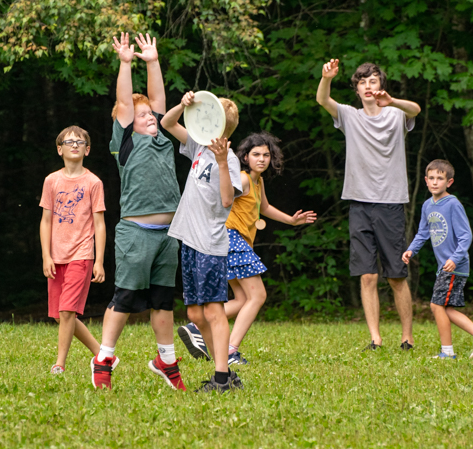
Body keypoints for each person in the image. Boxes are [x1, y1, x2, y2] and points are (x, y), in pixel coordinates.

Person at [91, 32, 185, 391]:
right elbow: (125, 102)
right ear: (126, 122)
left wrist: (153, 61)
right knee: (126, 298)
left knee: (162, 301)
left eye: (150, 114)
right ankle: (104, 359)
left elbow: (158, 99)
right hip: (136, 233)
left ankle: (167, 362)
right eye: (140, 114)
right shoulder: (125, 143)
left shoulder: (162, 139)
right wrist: (126, 63)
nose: (148, 117)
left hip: (167, 235)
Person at [178, 132, 316, 366]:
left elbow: (266, 207)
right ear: (245, 157)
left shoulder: (257, 181)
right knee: (258, 295)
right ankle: (230, 350)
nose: (262, 159)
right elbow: (225, 198)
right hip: (231, 239)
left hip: (234, 241)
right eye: (256, 155)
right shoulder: (242, 179)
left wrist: (291, 221)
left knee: (242, 299)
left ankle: (197, 326)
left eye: (266, 155)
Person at [316, 59, 420, 351]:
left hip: (390, 204)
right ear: (357, 89)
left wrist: (393, 101)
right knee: (367, 274)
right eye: (362, 82)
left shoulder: (396, 114)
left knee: (396, 275)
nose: (367, 86)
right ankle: (375, 337)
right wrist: (326, 78)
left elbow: (416, 110)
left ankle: (407, 336)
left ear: (380, 86)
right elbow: (322, 99)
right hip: (359, 204)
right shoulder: (350, 116)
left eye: (372, 81)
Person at [161, 90, 244, 392]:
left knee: (213, 311)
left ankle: (222, 376)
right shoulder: (197, 145)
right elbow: (168, 124)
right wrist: (182, 105)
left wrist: (222, 162)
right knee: (195, 313)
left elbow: (225, 200)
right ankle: (224, 371)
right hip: (189, 241)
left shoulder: (230, 160)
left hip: (210, 244)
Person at [402, 159, 473, 359]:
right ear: (425, 180)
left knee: (436, 305)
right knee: (445, 308)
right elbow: (422, 233)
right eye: (431, 178)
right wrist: (411, 250)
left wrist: (455, 258)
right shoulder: (428, 205)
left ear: (449, 182)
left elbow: (466, 236)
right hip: (443, 266)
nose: (435, 182)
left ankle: (459, 347)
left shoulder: (453, 204)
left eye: (440, 178)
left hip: (455, 265)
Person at [39, 126, 106, 375]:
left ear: (87, 150)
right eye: (69, 142)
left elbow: (99, 224)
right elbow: (45, 221)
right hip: (56, 256)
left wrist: (99, 261)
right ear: (60, 149)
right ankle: (102, 354)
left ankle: (59, 364)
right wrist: (46, 255)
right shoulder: (51, 181)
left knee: (67, 311)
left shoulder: (93, 182)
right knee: (59, 316)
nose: (74, 145)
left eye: (80, 142)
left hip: (82, 253)